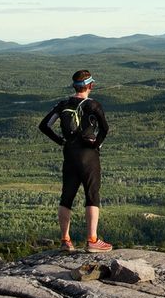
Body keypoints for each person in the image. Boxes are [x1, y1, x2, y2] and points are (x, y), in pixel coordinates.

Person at [38, 69, 112, 252]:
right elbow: (105, 128)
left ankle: (65, 241)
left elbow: (44, 125)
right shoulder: (93, 105)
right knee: (92, 195)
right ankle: (92, 240)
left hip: (69, 154)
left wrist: (61, 141)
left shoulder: (63, 104)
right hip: (89, 155)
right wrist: (97, 144)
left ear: (74, 86)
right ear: (91, 86)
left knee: (67, 196)